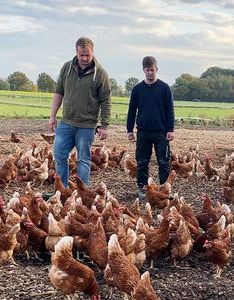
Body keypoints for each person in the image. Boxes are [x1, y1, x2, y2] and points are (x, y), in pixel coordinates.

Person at [48, 36, 111, 190]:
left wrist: (104, 125)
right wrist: (52, 116)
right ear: (76, 52)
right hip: (66, 122)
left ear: (92, 52)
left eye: (87, 55)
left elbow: (106, 100)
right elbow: (59, 92)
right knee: (59, 155)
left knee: (83, 159)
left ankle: (83, 193)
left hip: (86, 125)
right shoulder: (67, 68)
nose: (84, 58)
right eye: (81, 54)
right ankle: (61, 190)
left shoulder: (100, 73)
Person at [126, 56, 175, 201]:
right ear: (143, 70)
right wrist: (129, 129)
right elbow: (131, 111)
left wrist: (171, 129)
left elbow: (170, 110)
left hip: (161, 131)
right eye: (147, 70)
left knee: (163, 162)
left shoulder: (164, 88)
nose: (150, 73)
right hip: (143, 131)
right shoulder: (137, 89)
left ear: (157, 69)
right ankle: (142, 188)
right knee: (142, 162)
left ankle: (164, 189)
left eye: (152, 70)